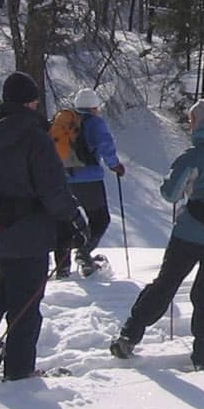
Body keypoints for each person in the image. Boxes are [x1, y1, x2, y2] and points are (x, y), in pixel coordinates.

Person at [0, 72, 87, 381]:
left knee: (10, 280)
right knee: (26, 299)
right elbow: (52, 187)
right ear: (31, 102)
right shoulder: (33, 136)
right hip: (28, 231)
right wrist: (72, 218)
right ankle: (20, 371)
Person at [110, 96, 204, 370]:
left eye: (193, 119)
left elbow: (170, 194)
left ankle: (129, 335)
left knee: (166, 284)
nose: (190, 124)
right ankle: (203, 355)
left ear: (202, 123)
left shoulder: (193, 157)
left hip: (191, 234)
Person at [54, 87, 125, 279]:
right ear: (94, 107)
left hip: (64, 179)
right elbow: (105, 145)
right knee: (100, 218)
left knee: (67, 221)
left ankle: (62, 268)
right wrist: (115, 165)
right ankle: (84, 254)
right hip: (89, 180)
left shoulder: (65, 123)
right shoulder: (95, 123)